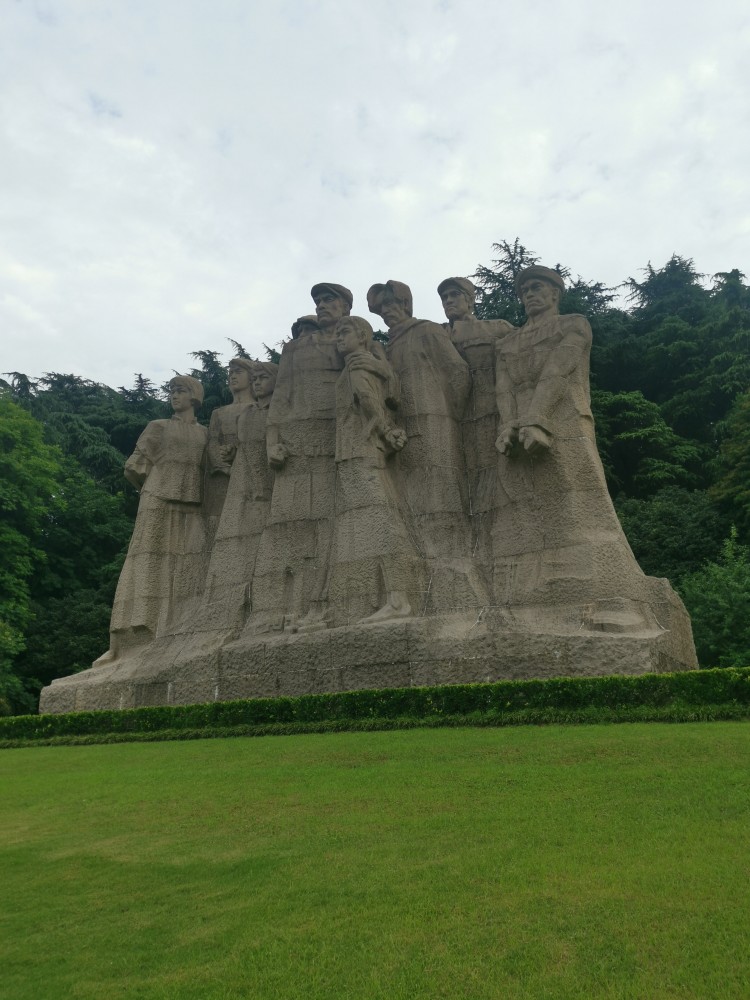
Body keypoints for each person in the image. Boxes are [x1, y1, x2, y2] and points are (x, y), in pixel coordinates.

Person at [493, 265, 657, 630]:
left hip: (563, 421)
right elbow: (502, 388)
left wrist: (536, 419)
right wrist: (508, 425)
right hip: (520, 430)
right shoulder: (508, 343)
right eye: (525, 291)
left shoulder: (573, 324)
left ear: (555, 293)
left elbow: (558, 370)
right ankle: (540, 594)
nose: (530, 295)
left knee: (582, 504)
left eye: (538, 288)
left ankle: (614, 595)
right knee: (526, 509)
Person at [367, 279, 489, 612]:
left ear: (405, 305)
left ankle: (452, 562)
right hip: (403, 432)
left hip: (436, 423)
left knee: (441, 491)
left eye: (391, 307)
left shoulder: (428, 331)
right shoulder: (389, 347)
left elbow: (457, 372)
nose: (387, 314)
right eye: (381, 311)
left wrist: (449, 415)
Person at [249, 283, 352, 632]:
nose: (322, 305)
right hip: (295, 447)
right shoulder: (294, 349)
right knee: (291, 530)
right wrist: (272, 441)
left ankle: (324, 604)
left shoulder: (353, 337)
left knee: (329, 525)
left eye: (329, 300)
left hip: (334, 437)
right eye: (318, 301)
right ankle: (284, 609)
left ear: (345, 307)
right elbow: (280, 398)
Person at [94, 375, 207, 664]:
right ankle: (125, 640)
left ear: (194, 396)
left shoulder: (205, 433)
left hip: (193, 503)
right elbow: (134, 466)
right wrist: (156, 485)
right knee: (146, 561)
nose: (175, 396)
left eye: (181, 391)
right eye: (172, 391)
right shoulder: (158, 427)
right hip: (157, 499)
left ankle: (174, 628)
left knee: (188, 565)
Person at [327, 316, 423, 625]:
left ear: (363, 337)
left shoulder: (357, 365)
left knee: (381, 523)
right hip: (358, 450)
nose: (338, 339)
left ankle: (398, 599)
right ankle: (362, 604)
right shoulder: (364, 364)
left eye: (345, 333)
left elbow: (368, 401)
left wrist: (385, 431)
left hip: (360, 449)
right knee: (369, 525)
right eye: (336, 334)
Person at [437, 277, 514, 566]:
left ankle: (495, 544)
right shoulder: (436, 336)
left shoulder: (496, 328)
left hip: (489, 414)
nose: (448, 301)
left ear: (471, 299)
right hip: (448, 424)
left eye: (454, 295)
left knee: (492, 479)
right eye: (444, 297)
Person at [201, 361, 279, 633]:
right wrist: (222, 462)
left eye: (239, 373)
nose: (233, 378)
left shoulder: (263, 409)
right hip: (229, 481)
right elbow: (213, 443)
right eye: (230, 374)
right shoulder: (221, 413)